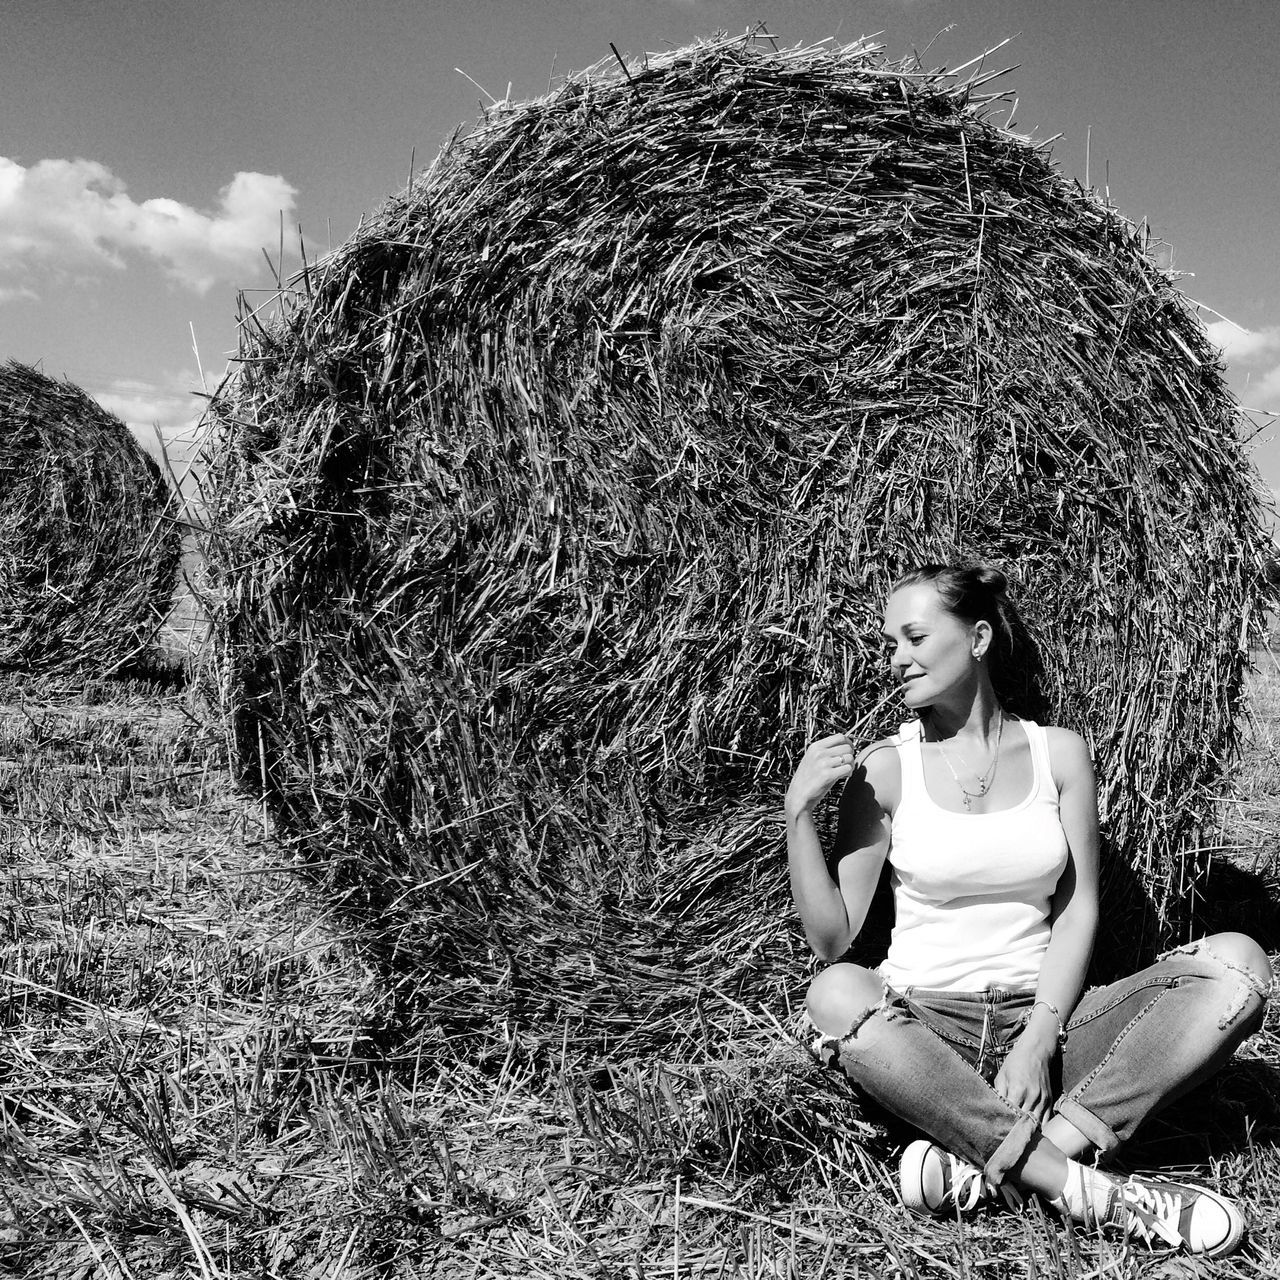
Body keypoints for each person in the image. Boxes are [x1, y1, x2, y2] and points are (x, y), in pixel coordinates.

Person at [787, 562, 1272, 1258]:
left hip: (1048, 1023)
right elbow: (833, 941)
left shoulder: (1062, 755)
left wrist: (1042, 1036)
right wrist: (798, 813)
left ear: (978, 637)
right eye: (889, 642)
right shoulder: (885, 769)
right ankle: (1088, 1191)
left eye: (914, 637)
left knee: (1240, 964)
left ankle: (989, 1163)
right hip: (926, 1031)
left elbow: (1077, 913)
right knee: (835, 994)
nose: (895, 658)